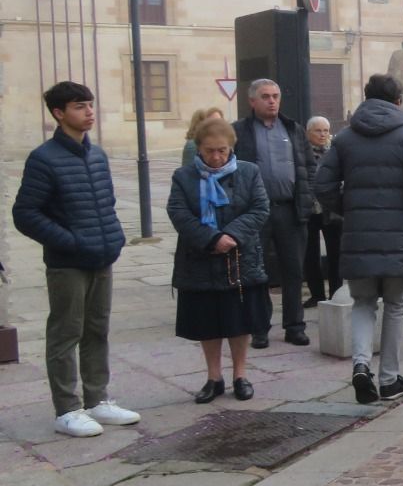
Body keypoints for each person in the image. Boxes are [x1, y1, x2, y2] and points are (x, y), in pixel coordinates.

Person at [12, 82, 140, 438]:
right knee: (66, 332)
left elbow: (106, 203)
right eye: (79, 106)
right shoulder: (44, 158)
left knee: (97, 330)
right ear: (59, 113)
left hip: (101, 257)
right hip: (67, 263)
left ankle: (97, 398)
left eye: (90, 105)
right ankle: (67, 409)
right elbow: (25, 213)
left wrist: (113, 237)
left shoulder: (97, 155)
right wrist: (69, 242)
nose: (89, 112)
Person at [313, 73, 403, 404]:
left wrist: (348, 208)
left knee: (363, 303)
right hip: (401, 234)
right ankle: (389, 378)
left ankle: (361, 365)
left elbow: (322, 186)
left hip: (358, 234)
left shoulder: (346, 137)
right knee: (396, 305)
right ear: (398, 101)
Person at [167, 116, 270, 403]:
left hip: (239, 259)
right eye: (210, 150)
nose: (216, 156)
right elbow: (178, 212)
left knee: (239, 320)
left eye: (222, 150)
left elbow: (260, 209)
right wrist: (211, 238)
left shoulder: (249, 172)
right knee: (207, 321)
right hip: (200, 259)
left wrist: (231, 236)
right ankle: (214, 377)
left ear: (231, 148)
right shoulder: (184, 176)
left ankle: (240, 375)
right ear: (198, 148)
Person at [232, 78, 314, 349]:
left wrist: (309, 197)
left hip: (290, 210)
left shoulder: (293, 129)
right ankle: (260, 328)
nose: (272, 101)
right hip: (255, 213)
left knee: (293, 270)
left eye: (276, 96)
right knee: (257, 271)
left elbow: (309, 167)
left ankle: (294, 326)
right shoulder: (240, 132)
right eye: (266, 96)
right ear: (252, 101)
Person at [302, 115, 342, 307]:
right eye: (318, 130)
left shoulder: (334, 152)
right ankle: (316, 294)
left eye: (325, 130)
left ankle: (336, 292)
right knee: (310, 254)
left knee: (336, 253)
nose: (322, 134)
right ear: (308, 133)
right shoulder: (301, 153)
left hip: (331, 209)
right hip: (309, 210)